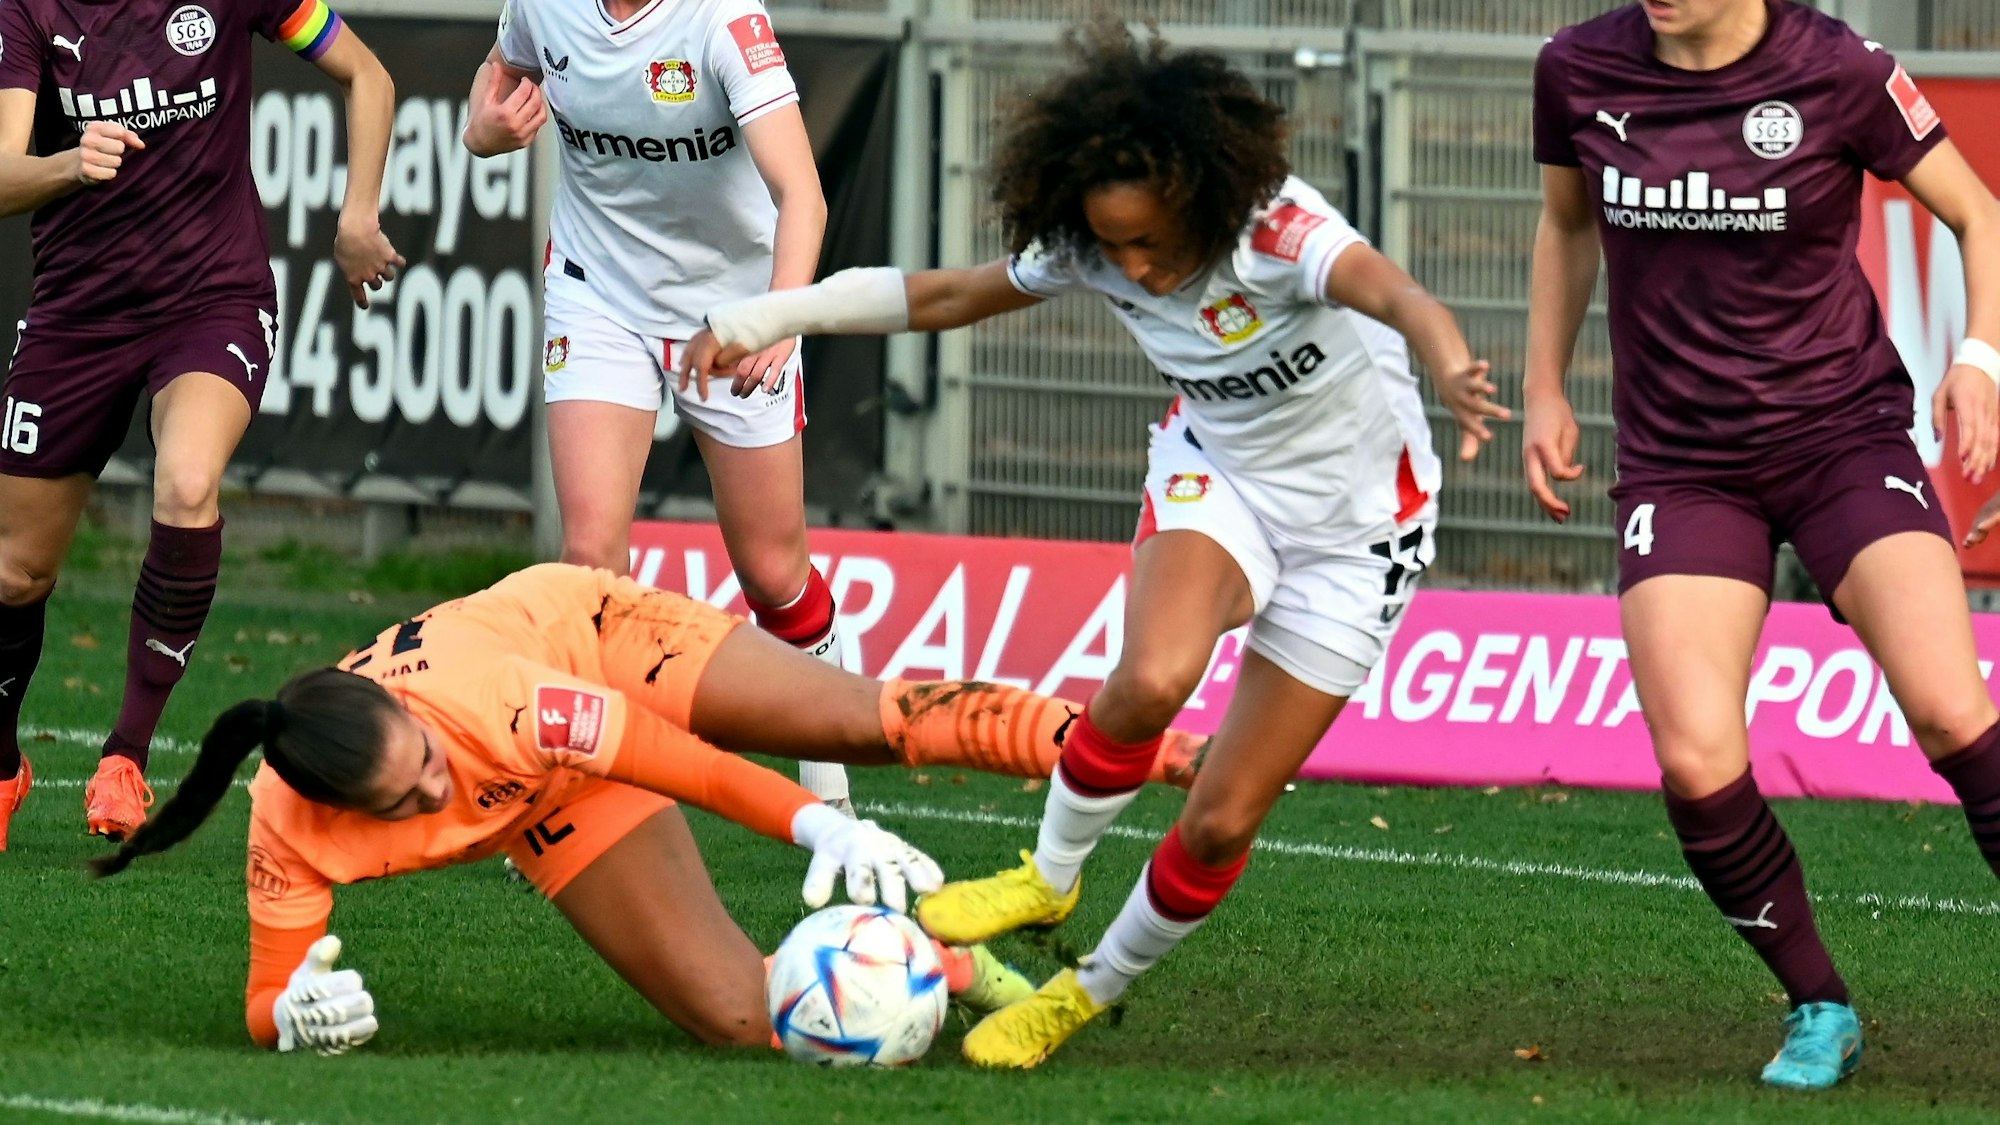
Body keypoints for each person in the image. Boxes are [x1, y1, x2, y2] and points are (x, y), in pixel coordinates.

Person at [679, 20, 1505, 1068]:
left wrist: (1447, 365)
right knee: (1151, 676)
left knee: (1215, 824)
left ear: (1203, 201)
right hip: (1221, 479)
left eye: (1152, 243)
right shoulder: (1086, 244)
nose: (1135, 268)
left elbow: (1396, 294)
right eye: (1112, 247)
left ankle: (1083, 990)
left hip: (1361, 534)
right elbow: (940, 295)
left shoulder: (1276, 234)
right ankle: (1048, 872)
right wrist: (763, 318)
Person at [90, 563, 1202, 1052]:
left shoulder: (493, 705)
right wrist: (285, 1021)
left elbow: (681, 762)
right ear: (340, 810)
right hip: (547, 800)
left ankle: (1139, 746)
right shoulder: (286, 823)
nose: (437, 789)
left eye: (426, 760)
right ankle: (949, 971)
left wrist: (818, 821)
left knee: (862, 721)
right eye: (408, 802)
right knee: (738, 1019)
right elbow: (265, 994)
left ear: (409, 713)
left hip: (594, 647)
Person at [1525, 0, 2000, 1091]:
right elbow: (1563, 227)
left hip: (1841, 437)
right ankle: (1816, 1006)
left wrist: (1977, 357)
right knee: (1694, 757)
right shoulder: (1574, 67)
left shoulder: (1835, 66)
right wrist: (1546, 384)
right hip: (1679, 464)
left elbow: (1978, 213)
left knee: (1948, 707)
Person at [0, 0, 404, 847]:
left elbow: (367, 73)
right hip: (78, 312)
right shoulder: (28, 8)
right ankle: (4, 765)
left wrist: (357, 214)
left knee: (187, 482)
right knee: (13, 575)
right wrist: (71, 163)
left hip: (212, 299)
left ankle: (126, 756)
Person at [460, 0, 855, 813]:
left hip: (735, 311)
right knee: (590, 551)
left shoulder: (722, 21)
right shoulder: (544, 6)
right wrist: (484, 131)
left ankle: (831, 769)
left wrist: (780, 316)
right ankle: (579, 787)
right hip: (598, 293)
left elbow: (803, 194)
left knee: (774, 573)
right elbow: (497, 80)